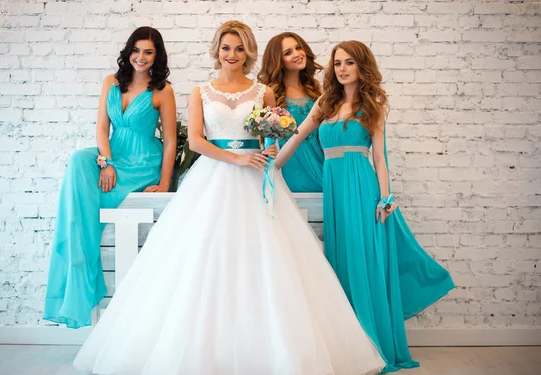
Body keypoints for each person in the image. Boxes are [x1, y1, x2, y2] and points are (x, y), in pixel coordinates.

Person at [73, 22, 385, 375]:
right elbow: (195, 142)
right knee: (203, 256)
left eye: (239, 49)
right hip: (214, 177)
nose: (232, 55)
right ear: (217, 51)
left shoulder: (263, 92)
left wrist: (268, 149)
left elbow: (273, 141)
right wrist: (237, 158)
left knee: (268, 257)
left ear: (248, 52)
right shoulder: (200, 92)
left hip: (256, 177)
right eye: (226, 48)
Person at [277, 40, 455, 373]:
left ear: (362, 67)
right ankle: (349, 345)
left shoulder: (372, 106)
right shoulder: (324, 104)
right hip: (335, 190)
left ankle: (375, 344)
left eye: (349, 63)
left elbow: (380, 159)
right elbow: (296, 137)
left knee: (365, 262)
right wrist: (270, 168)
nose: (342, 68)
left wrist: (386, 198)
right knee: (341, 262)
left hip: (362, 188)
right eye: (337, 63)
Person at [43, 27, 177, 329]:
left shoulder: (162, 90)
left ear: (157, 56)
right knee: (79, 160)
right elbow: (101, 129)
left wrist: (165, 183)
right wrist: (106, 163)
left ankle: (83, 249)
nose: (140, 57)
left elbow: (170, 140)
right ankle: (79, 257)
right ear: (128, 51)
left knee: (90, 194)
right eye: (136, 50)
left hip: (143, 161)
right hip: (113, 155)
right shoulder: (110, 82)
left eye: (148, 52)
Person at [258, 32, 324, 192]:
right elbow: (263, 140)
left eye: (298, 48)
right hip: (289, 167)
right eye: (288, 53)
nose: (297, 54)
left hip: (321, 163)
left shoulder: (317, 91)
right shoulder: (269, 94)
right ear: (278, 62)